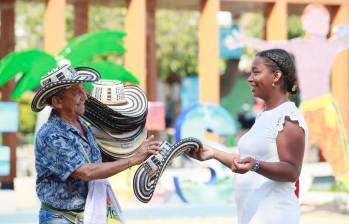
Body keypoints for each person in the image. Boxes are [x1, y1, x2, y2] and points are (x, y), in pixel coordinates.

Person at [225, 3, 349, 178]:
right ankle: (293, 194)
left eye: (324, 21)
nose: (321, 24)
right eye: (315, 20)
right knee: (292, 158)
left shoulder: (332, 44)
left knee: (341, 161)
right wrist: (245, 40)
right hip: (306, 110)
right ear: (305, 23)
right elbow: (269, 45)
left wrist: (345, 32)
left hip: (325, 108)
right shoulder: (299, 45)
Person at [189, 49, 307, 224]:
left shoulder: (288, 118)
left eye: (256, 72)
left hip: (276, 216)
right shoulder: (264, 116)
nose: (250, 78)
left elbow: (292, 171)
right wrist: (212, 153)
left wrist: (256, 165)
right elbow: (246, 162)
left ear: (276, 76)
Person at [31, 65, 160, 224]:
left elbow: (103, 159)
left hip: (88, 214)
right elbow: (85, 172)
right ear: (58, 102)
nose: (85, 96)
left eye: (83, 89)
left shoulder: (82, 125)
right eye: (76, 92)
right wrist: (132, 159)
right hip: (61, 218)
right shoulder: (51, 135)